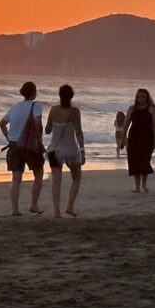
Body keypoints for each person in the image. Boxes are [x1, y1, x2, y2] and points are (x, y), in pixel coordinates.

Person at [0, 81, 44, 215]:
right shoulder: (36, 106)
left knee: (16, 178)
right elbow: (38, 124)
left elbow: (2, 124)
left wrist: (8, 137)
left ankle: (15, 210)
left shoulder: (15, 106)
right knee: (38, 174)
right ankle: (34, 205)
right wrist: (39, 140)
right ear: (33, 92)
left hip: (14, 146)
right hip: (29, 145)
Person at [45, 84, 85, 217]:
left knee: (56, 181)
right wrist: (82, 150)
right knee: (77, 178)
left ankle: (56, 211)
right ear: (72, 96)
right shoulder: (75, 112)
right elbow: (79, 132)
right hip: (71, 150)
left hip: (55, 150)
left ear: (59, 95)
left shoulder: (53, 110)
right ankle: (70, 207)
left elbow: (48, 130)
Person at [121, 88, 155, 193]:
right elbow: (125, 124)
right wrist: (122, 139)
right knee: (134, 162)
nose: (141, 99)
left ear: (147, 97)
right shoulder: (132, 109)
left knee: (144, 161)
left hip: (147, 138)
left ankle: (144, 185)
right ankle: (137, 186)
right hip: (134, 137)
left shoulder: (152, 109)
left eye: (143, 96)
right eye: (139, 96)